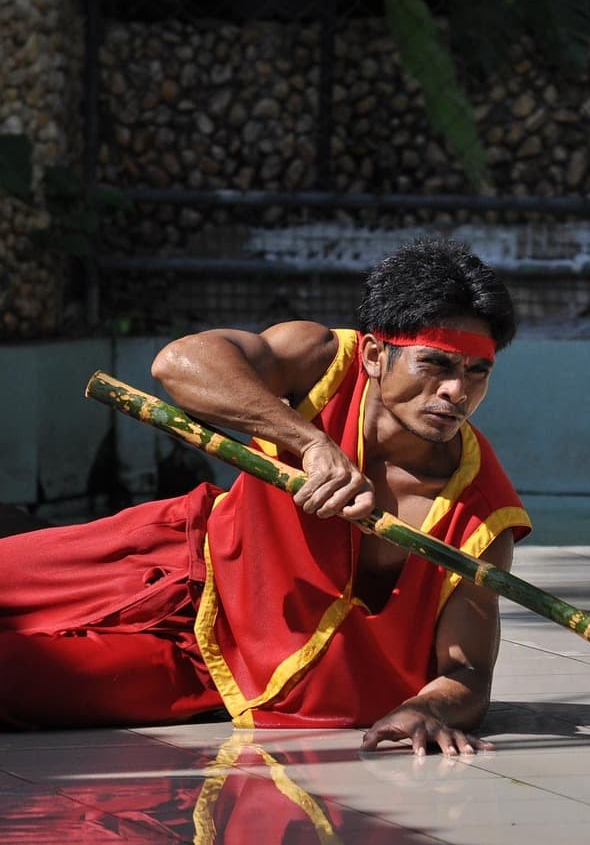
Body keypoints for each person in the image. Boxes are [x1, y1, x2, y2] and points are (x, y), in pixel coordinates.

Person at [0, 238, 532, 755]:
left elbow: (465, 671)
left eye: (476, 371)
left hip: (215, 666)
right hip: (178, 554)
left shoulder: (483, 513)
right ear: (373, 355)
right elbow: (178, 364)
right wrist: (310, 442)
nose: (456, 392)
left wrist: (431, 709)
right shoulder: (321, 359)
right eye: (436, 365)